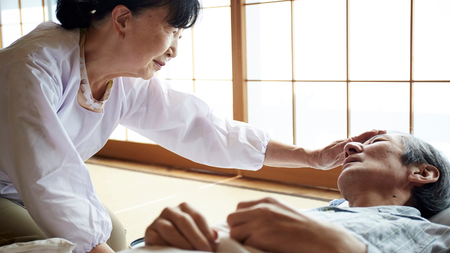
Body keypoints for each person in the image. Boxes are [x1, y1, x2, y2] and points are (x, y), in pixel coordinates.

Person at [0, 0, 383, 252]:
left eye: (181, 36)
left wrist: (311, 157)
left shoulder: (127, 79)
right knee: (70, 246)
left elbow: (202, 128)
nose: (176, 49)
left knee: (110, 236)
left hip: (24, 186)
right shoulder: (33, 66)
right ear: (122, 19)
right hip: (9, 186)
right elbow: (48, 173)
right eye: (172, 31)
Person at [145, 132, 450, 253]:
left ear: (423, 172)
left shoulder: (429, 234)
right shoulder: (316, 215)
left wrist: (340, 247)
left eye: (377, 142)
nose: (351, 146)